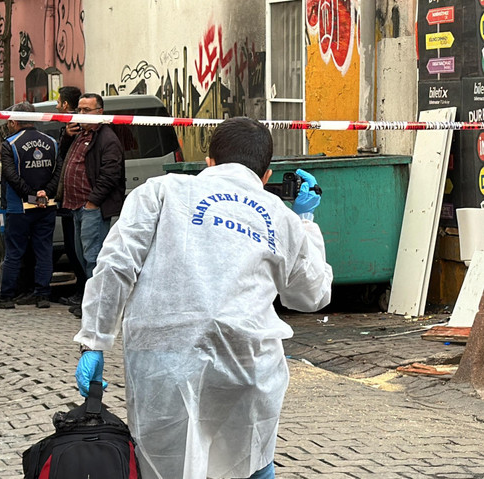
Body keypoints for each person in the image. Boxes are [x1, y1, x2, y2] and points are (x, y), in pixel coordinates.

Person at [73, 117, 333, 479]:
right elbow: (312, 294)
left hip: (164, 360)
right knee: (246, 463)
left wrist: (95, 341)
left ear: (208, 161)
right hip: (248, 366)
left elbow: (116, 264)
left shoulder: (160, 191)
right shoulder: (281, 217)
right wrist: (307, 221)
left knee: (168, 465)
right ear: (267, 175)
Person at [59, 92, 125, 318]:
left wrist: (92, 203)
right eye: (79, 109)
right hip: (76, 206)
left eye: (87, 110)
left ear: (100, 113)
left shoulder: (107, 138)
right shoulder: (79, 134)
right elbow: (63, 158)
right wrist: (66, 137)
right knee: (81, 255)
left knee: (94, 258)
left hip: (92, 209)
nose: (81, 114)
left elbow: (110, 174)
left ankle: (99, 306)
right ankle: (90, 302)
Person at [0, 102, 61, 310]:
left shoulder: (10, 144)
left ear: (13, 121)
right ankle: (42, 295)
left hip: (18, 207)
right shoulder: (52, 142)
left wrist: (30, 196)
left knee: (13, 252)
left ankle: (6, 296)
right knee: (44, 250)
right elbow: (58, 171)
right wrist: (45, 193)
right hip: (46, 205)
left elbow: (10, 175)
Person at [53, 86, 86, 308]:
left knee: (79, 248)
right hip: (71, 197)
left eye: (58, 102)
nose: (56, 106)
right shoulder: (70, 127)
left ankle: (84, 291)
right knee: (75, 247)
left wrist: (65, 136)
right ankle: (81, 290)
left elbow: (64, 155)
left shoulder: (74, 126)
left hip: (78, 198)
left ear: (66, 105)